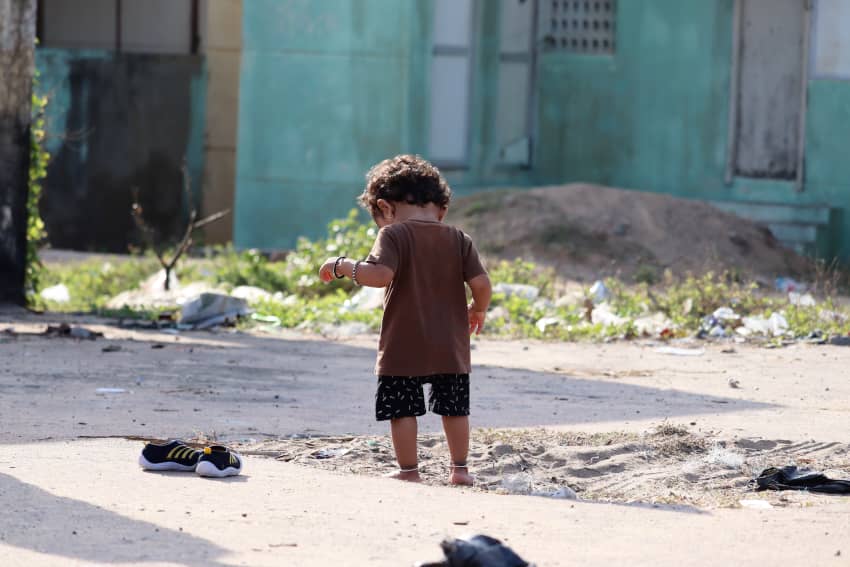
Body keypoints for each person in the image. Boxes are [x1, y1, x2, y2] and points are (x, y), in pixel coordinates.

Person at [319, 155, 492, 485]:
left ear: (384, 208)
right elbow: (482, 283)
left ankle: (409, 471)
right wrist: (477, 309)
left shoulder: (393, 235)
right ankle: (460, 470)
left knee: (403, 409)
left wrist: (342, 265)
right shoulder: (459, 239)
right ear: (441, 207)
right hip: (450, 346)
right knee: (454, 408)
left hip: (404, 344)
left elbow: (380, 275)